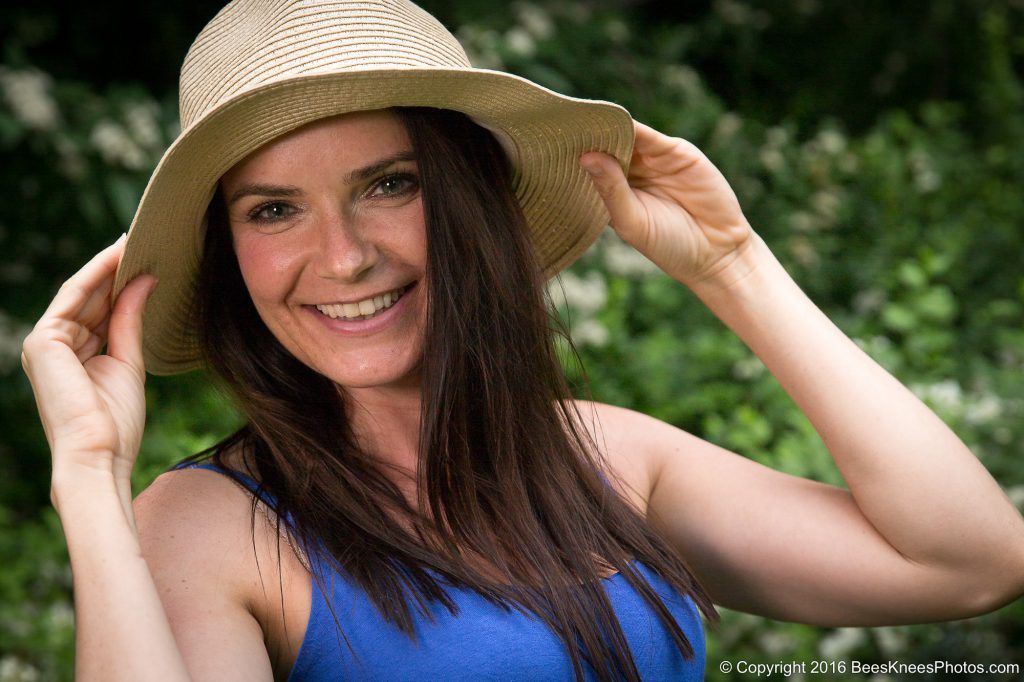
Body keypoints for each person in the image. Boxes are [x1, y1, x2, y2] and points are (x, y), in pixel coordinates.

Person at [20, 1, 1024, 681]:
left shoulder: (607, 457)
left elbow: (969, 562)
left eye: (388, 184)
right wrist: (89, 473)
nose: (345, 256)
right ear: (226, 252)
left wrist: (733, 268)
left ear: (466, 200)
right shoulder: (203, 524)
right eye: (274, 209)